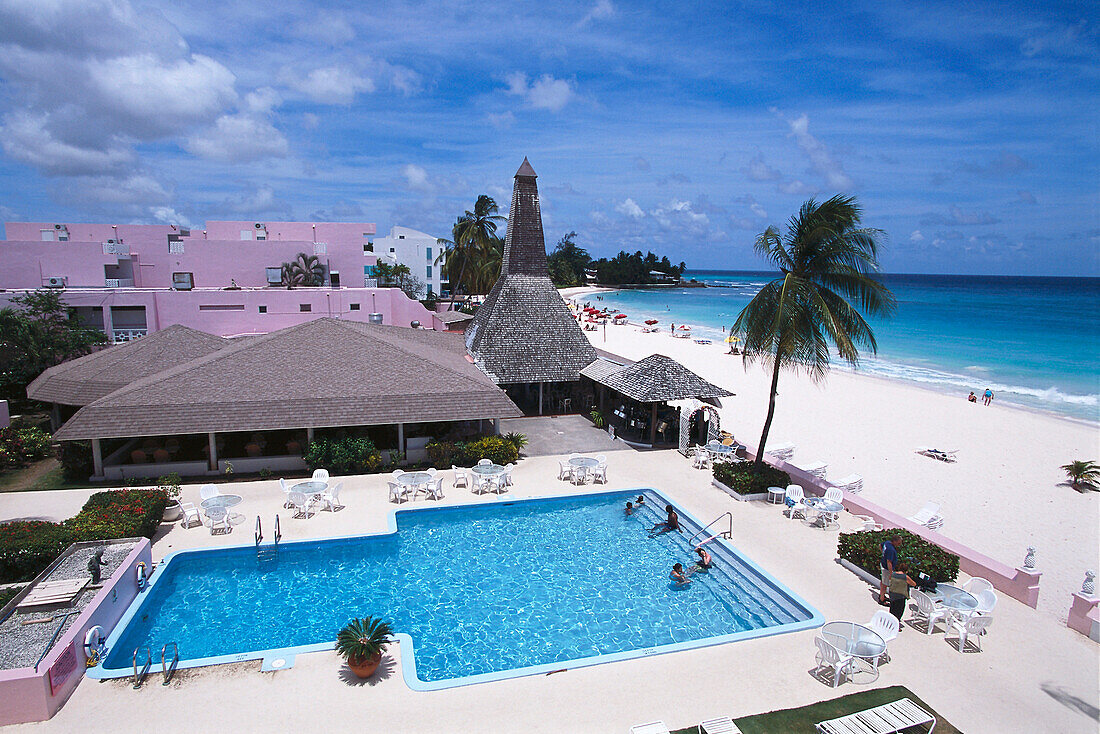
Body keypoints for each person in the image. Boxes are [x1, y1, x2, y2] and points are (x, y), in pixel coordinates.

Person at [878, 534, 901, 605]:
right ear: (894, 541)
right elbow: (889, 562)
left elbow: (880, 545)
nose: (899, 545)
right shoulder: (891, 550)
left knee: (883, 582)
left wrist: (883, 554)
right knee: (885, 584)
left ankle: (882, 595)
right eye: (899, 543)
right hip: (886, 569)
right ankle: (882, 600)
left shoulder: (887, 543)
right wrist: (891, 573)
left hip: (882, 564)